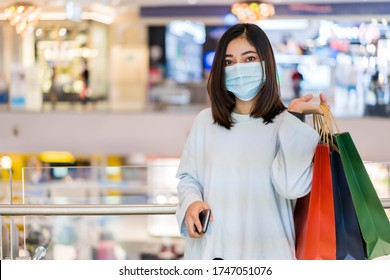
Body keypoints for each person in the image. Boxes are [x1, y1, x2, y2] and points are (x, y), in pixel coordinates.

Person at [175, 23, 328, 260]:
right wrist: (191, 203)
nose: (238, 68)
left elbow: (292, 187)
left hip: (269, 256)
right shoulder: (205, 122)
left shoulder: (286, 124)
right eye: (229, 62)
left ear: (266, 64)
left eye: (249, 59)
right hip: (213, 252)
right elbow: (188, 178)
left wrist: (295, 117)